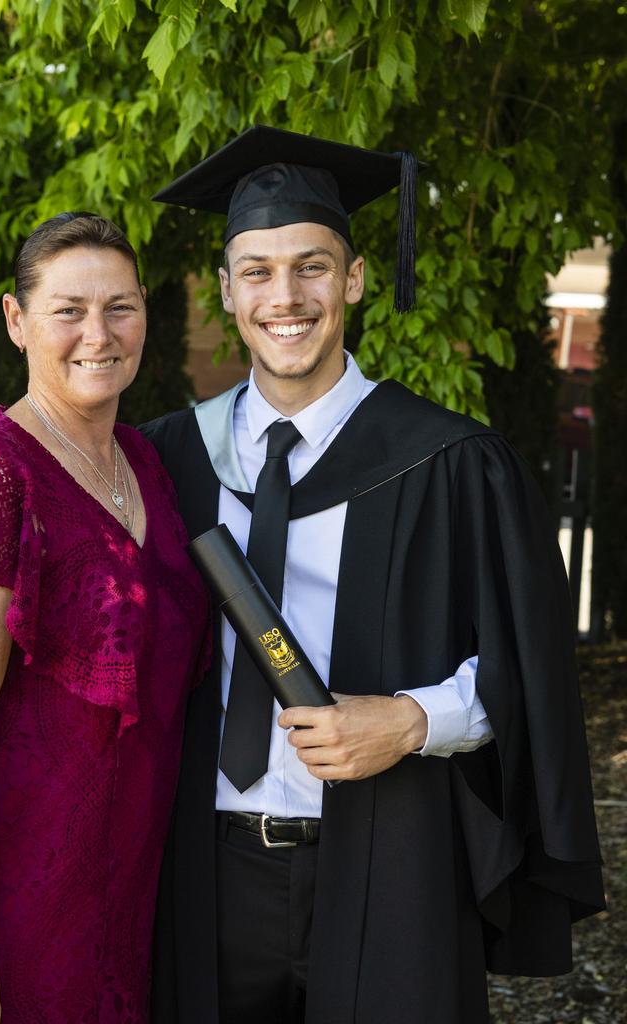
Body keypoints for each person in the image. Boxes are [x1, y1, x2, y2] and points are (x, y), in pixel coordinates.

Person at [142, 127, 605, 1024]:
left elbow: (531, 674)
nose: (287, 296)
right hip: (198, 875)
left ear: (353, 280)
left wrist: (410, 721)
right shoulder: (165, 460)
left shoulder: (451, 462)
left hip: (392, 861)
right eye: (258, 270)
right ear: (228, 290)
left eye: (312, 266)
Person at [0, 212, 209, 1024]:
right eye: (69, 309)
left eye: (121, 307)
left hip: (123, 899)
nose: (99, 332)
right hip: (5, 915)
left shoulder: (148, 467)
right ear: (18, 322)